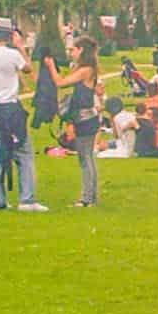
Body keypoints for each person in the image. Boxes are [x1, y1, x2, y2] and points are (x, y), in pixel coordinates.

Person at [0, 17, 45, 213]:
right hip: (10, 107)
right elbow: (29, 68)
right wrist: (20, 46)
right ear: (8, 35)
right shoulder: (12, 55)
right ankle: (27, 199)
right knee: (23, 152)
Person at [61, 58, 102, 209]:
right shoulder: (89, 70)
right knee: (88, 158)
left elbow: (61, 82)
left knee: (85, 159)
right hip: (89, 119)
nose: (71, 53)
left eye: (74, 50)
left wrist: (51, 66)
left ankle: (86, 199)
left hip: (84, 120)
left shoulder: (85, 71)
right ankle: (91, 197)